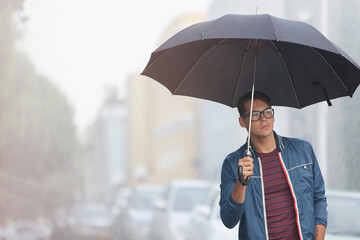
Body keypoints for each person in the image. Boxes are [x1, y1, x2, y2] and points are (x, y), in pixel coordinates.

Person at [219, 91, 327, 240]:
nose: (263, 118)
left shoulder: (303, 150)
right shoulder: (232, 164)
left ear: (273, 116)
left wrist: (319, 238)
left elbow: (319, 198)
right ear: (242, 122)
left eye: (267, 112)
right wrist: (241, 183)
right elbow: (229, 220)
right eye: (255, 114)